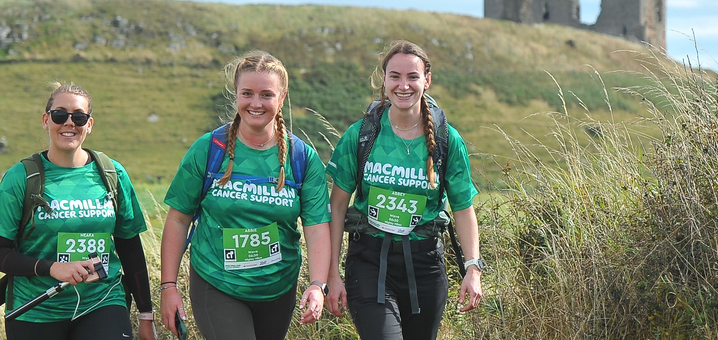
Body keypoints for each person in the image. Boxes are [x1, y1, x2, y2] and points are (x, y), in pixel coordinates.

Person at [157, 51, 331, 340]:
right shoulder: (209, 149)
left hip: (278, 286)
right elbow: (177, 220)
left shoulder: (302, 157)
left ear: (282, 97)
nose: (256, 103)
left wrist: (317, 284)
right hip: (217, 282)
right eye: (247, 93)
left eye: (266, 94)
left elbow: (315, 227)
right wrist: (168, 286)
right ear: (235, 93)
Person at [323, 40, 486, 340]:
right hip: (369, 262)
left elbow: (463, 208)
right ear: (383, 80)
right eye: (395, 76)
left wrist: (472, 269)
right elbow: (336, 208)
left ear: (427, 80)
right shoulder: (361, 135)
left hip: (426, 267)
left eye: (413, 76)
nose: (404, 85)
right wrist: (331, 275)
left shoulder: (447, 139)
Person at [0, 82, 156, 340]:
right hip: (36, 309)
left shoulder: (112, 173)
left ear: (90, 124)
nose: (69, 123)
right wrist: (52, 268)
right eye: (60, 115)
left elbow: (129, 246)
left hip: (103, 300)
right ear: (46, 120)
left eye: (79, 117)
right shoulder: (21, 177)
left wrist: (146, 314)